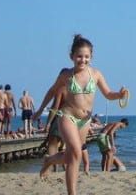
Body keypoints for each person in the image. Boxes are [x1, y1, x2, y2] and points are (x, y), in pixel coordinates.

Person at [35, 34, 129, 195]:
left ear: (91, 57)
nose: (83, 60)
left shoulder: (96, 74)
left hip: (85, 121)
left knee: (71, 156)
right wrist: (39, 110)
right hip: (68, 117)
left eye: (86, 57)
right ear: (71, 56)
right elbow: (52, 91)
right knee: (77, 154)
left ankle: (50, 160)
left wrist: (119, 95)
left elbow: (108, 94)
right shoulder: (66, 75)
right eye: (79, 56)